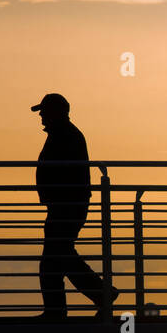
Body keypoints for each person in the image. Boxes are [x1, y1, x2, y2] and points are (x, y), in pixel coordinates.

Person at [32, 93, 112, 319]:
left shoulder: (65, 135)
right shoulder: (64, 134)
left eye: (44, 111)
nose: (41, 116)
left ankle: (61, 309)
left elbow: (65, 172)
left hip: (66, 207)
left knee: (54, 260)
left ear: (56, 112)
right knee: (60, 256)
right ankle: (96, 296)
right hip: (65, 205)